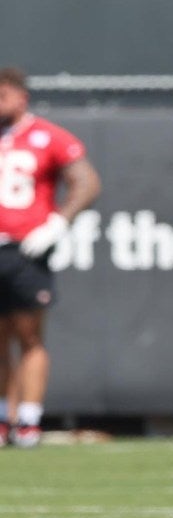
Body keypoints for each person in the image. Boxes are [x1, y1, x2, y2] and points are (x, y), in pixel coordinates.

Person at [0, 67, 101, 447]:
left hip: (26, 249)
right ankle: (3, 417)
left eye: (3, 94)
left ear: (21, 96)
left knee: (28, 335)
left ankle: (28, 419)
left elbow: (87, 182)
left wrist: (57, 223)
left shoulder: (47, 135)